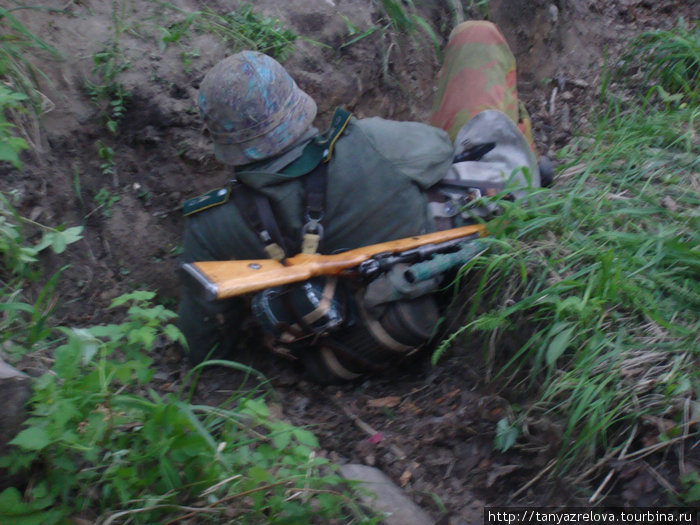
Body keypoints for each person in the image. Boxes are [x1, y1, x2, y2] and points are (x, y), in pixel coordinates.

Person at [178, 21, 543, 382]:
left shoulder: (209, 226)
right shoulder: (371, 142)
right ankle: (536, 164)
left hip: (356, 344)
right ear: (295, 101)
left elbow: (205, 351)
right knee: (476, 37)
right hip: (451, 280)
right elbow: (441, 149)